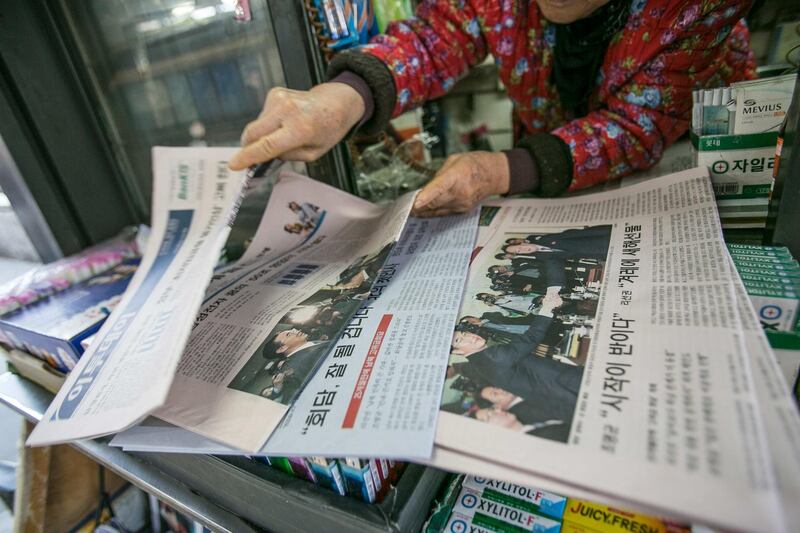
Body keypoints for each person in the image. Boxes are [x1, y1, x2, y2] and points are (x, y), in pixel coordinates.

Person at [229, 1, 755, 216]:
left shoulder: (698, 10)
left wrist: (501, 168)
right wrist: (345, 97)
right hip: (553, 147)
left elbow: (636, 128)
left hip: (693, 159)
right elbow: (443, 31)